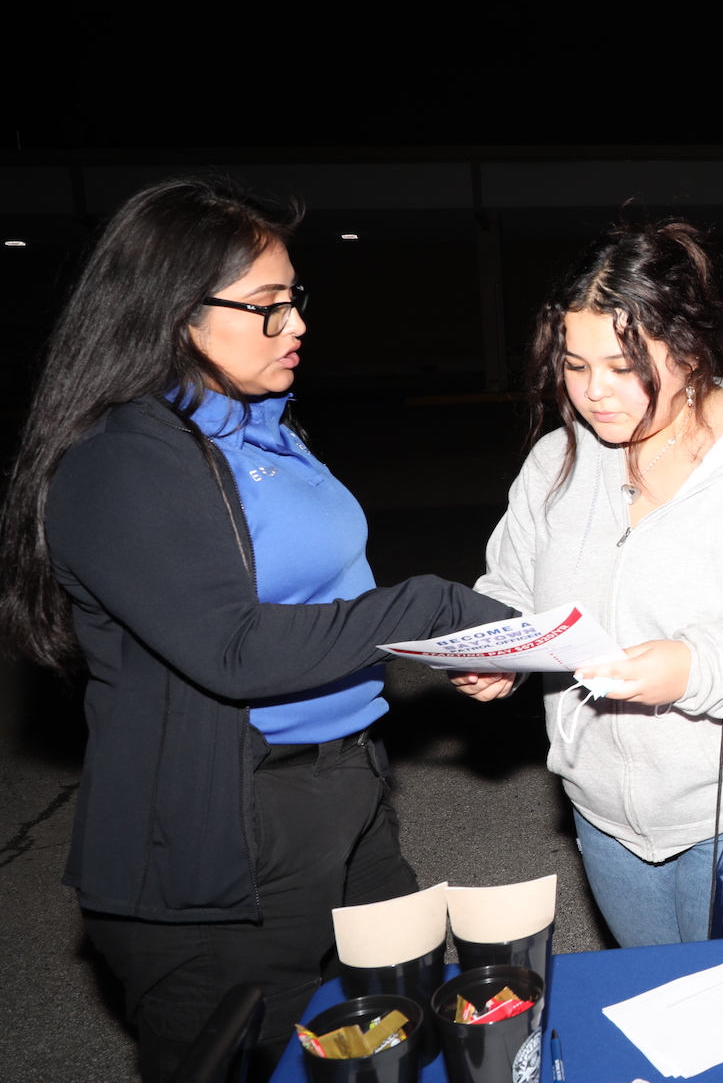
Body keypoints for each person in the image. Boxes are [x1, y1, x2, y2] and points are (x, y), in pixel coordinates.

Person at [0, 179, 515, 1082]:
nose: (296, 325)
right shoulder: (119, 457)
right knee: (259, 1056)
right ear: (171, 312)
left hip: (343, 789)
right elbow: (233, 649)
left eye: (296, 300)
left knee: (406, 1034)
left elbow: (323, 598)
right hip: (224, 831)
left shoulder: (261, 426)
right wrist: (433, 607)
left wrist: (455, 648)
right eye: (267, 306)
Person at [454, 220, 723, 947]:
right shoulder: (559, 460)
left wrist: (690, 666)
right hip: (607, 810)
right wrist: (501, 647)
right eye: (574, 365)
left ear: (688, 348)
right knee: (661, 1005)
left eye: (622, 366)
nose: (593, 393)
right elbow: (513, 581)